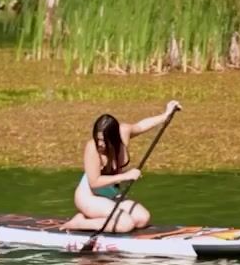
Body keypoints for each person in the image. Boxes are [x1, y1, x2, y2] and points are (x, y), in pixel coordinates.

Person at [61, 100, 182, 233]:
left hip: (111, 195)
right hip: (89, 197)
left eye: (104, 141)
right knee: (125, 224)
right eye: (98, 139)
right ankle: (80, 222)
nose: (100, 144)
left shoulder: (123, 132)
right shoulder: (92, 148)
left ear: (115, 138)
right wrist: (125, 176)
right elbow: (94, 182)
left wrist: (165, 115)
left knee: (142, 218)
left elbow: (141, 126)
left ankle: (103, 218)